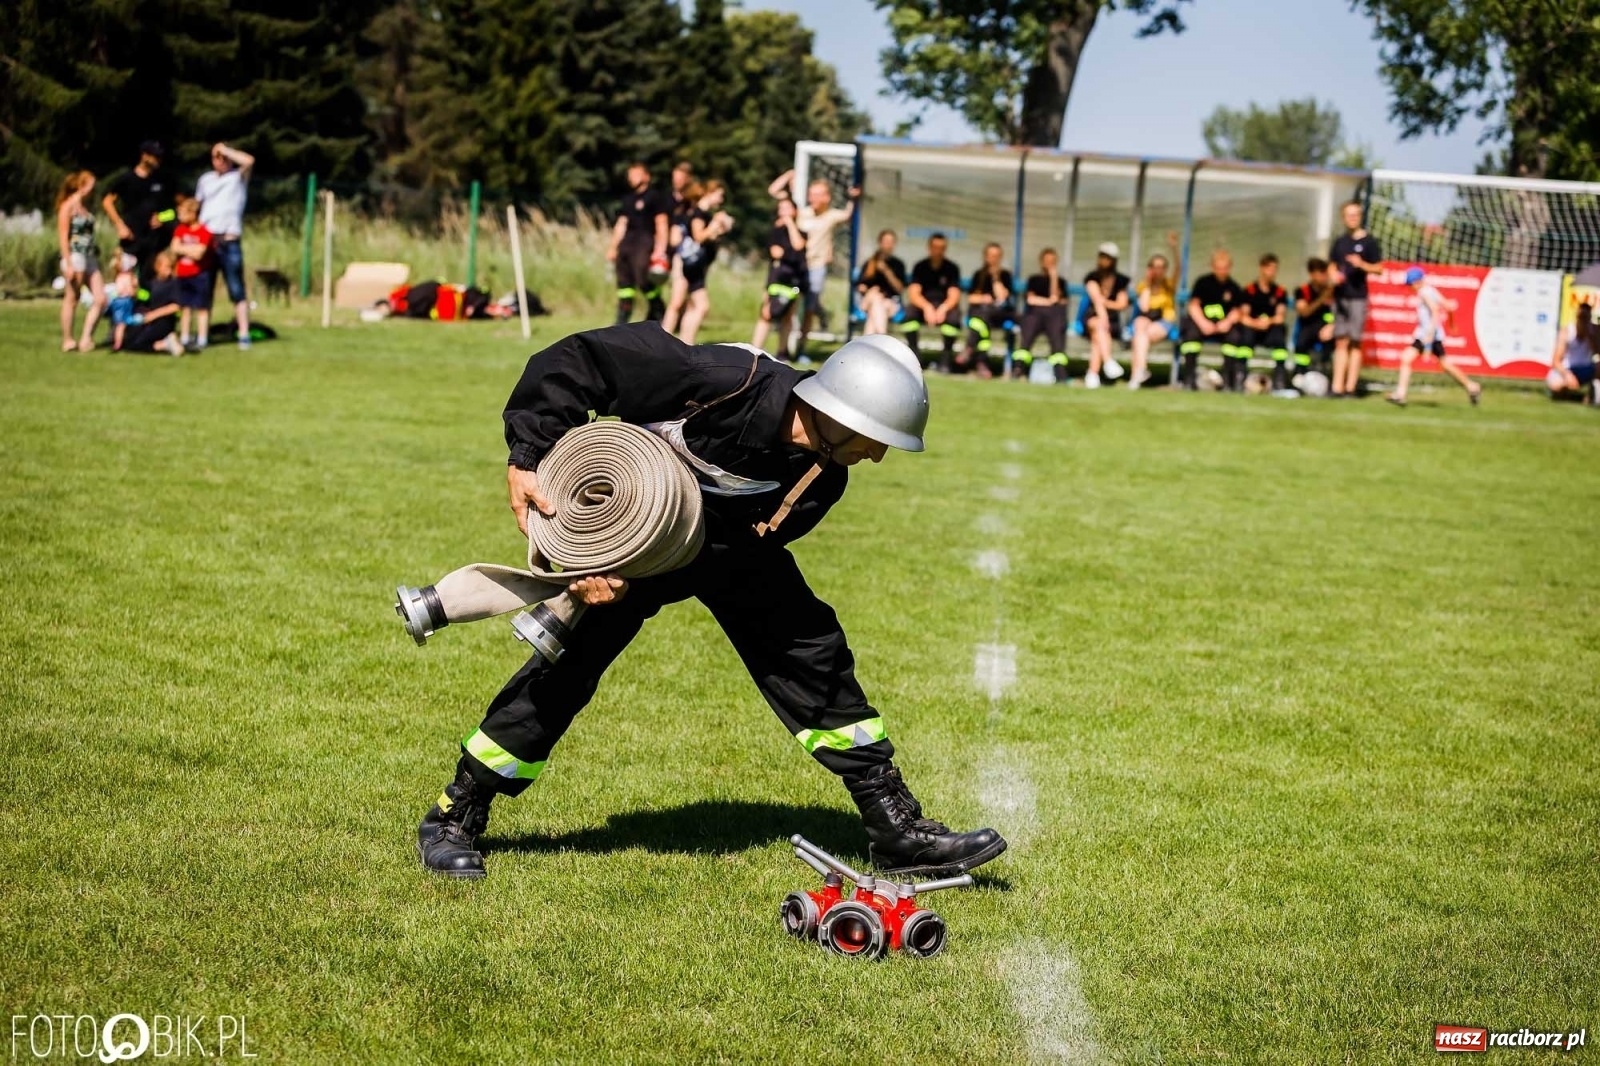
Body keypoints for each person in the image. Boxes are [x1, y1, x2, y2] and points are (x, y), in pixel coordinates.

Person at [413, 327, 1008, 882]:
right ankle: (455, 812)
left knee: (809, 649)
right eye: (878, 439)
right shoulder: (721, 380)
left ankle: (893, 826)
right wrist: (531, 459)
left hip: (728, 552)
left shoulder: (822, 480)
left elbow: (752, 546)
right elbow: (577, 362)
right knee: (567, 669)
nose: (878, 456)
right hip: (633, 527)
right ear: (842, 414)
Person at [769, 171, 859, 356]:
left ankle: (801, 349)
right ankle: (784, 348)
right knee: (791, 308)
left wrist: (853, 198)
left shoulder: (832, 215)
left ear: (827, 197)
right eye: (811, 194)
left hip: (816, 267)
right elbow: (774, 191)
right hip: (797, 266)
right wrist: (789, 175)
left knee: (809, 309)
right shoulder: (802, 212)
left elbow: (848, 215)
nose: (813, 198)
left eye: (818, 194)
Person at [1386, 267, 1480, 407]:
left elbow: (1435, 310)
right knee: (1444, 364)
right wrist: (1451, 324)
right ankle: (1472, 386)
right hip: (1431, 335)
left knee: (1406, 358)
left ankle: (1400, 394)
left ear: (1416, 282)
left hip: (1427, 335)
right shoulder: (1431, 290)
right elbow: (1449, 306)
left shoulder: (1423, 292)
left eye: (1410, 285)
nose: (1409, 288)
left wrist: (1429, 338)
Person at [195, 142, 256, 350]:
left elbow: (249, 161)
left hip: (229, 241)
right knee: (204, 289)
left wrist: (225, 149)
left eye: (223, 158)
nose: (220, 161)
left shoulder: (237, 178)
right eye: (216, 157)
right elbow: (197, 206)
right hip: (208, 241)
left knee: (237, 288)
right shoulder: (205, 180)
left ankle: (244, 334)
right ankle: (202, 336)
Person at [661, 181, 734, 345]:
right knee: (680, 303)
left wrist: (721, 228)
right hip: (687, 264)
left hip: (695, 266)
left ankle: (684, 343)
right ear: (710, 193)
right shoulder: (698, 214)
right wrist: (715, 224)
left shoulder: (702, 213)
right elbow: (699, 236)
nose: (721, 200)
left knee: (694, 305)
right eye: (719, 195)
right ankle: (666, 341)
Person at [1328, 200, 1382, 398]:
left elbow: (1379, 268)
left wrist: (1362, 264)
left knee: (1355, 342)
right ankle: (1337, 388)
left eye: (1355, 214)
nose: (1352, 218)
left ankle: (1351, 388)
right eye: (1349, 215)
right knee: (1340, 342)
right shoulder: (1340, 242)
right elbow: (1332, 265)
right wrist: (1333, 275)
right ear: (1343, 218)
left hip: (1358, 298)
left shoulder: (1370, 242)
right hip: (1340, 297)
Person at [606, 163, 670, 325]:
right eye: (630, 175)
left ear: (646, 176)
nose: (631, 177)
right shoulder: (628, 199)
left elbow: (661, 223)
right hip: (628, 242)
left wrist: (660, 249)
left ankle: (658, 308)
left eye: (636, 174)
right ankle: (622, 320)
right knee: (624, 283)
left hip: (645, 241)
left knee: (642, 276)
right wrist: (613, 247)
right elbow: (621, 224)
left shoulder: (655, 197)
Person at [102, 141, 175, 281]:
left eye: (160, 157)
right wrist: (119, 225)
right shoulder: (127, 179)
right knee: (127, 278)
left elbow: (174, 210)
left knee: (149, 280)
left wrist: (162, 217)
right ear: (144, 156)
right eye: (155, 156)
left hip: (154, 241)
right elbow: (107, 202)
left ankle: (146, 295)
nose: (158, 160)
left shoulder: (162, 180)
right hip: (131, 238)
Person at [1176, 250, 1244, 391]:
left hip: (1223, 327)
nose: (1222, 271)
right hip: (1202, 324)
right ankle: (1189, 379)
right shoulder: (1203, 283)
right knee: (1190, 336)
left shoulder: (1234, 287)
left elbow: (1237, 311)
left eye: (1225, 268)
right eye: (1218, 268)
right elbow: (1193, 306)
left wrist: (1227, 322)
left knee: (1234, 337)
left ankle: (1227, 381)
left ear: (1229, 267)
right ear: (1212, 267)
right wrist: (1203, 323)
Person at [55, 170, 107, 353]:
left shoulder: (85, 207)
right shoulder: (67, 207)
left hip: (89, 255)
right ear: (81, 186)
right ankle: (68, 339)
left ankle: (86, 338)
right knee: (72, 298)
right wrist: (68, 263)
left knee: (101, 299)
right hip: (75, 255)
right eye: (90, 185)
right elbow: (63, 236)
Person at [751, 198, 808, 359]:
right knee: (766, 313)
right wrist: (790, 254)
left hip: (794, 281)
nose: (783, 211)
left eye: (787, 208)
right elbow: (776, 253)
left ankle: (782, 353)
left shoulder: (802, 232)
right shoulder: (775, 232)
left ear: (795, 211)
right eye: (781, 208)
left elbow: (798, 246)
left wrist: (790, 224)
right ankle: (754, 350)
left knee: (788, 315)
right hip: (776, 279)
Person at [903, 233, 963, 370]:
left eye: (942, 248)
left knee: (954, 318)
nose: (938, 251)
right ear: (929, 247)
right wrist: (927, 307)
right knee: (909, 314)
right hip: (923, 306)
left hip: (944, 307)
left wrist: (943, 308)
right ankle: (915, 357)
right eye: (935, 247)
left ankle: (945, 359)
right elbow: (914, 294)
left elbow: (954, 295)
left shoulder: (952, 268)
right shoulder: (920, 267)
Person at [116, 251, 185, 356]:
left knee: (138, 343)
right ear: (157, 267)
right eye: (167, 267)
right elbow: (145, 298)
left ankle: (165, 343)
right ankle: (165, 344)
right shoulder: (151, 283)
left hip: (163, 321)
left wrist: (153, 315)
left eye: (171, 267)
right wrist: (134, 293)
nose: (169, 270)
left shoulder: (173, 284)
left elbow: (176, 306)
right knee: (129, 342)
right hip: (147, 318)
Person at [962, 243, 1015, 378]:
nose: (993, 259)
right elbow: (971, 298)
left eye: (996, 256)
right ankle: (982, 363)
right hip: (982, 315)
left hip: (998, 314)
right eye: (991, 256)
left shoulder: (1005, 275)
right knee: (982, 320)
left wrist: (995, 278)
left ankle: (969, 347)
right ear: (985, 257)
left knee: (981, 318)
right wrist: (983, 298)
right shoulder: (978, 275)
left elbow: (1002, 297)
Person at [1238, 253, 1290, 392]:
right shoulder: (1250, 290)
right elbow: (1243, 316)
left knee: (1280, 334)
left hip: (1270, 330)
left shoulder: (1280, 292)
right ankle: (1240, 376)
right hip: (1252, 329)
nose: (1272, 272)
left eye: (1275, 269)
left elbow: (1280, 316)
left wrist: (1268, 321)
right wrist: (1256, 323)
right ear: (1261, 268)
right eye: (1269, 268)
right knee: (1245, 336)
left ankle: (1279, 379)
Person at [1082, 242, 1130, 389]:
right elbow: (1097, 302)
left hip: (1112, 322)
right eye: (1102, 256)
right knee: (1099, 326)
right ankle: (1108, 361)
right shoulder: (1092, 278)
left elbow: (1122, 304)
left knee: (1098, 335)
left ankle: (1092, 373)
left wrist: (1105, 303)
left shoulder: (1120, 280)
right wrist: (1104, 317)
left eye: (1107, 257)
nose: (1104, 260)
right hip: (1093, 318)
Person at [1128, 251, 1178, 390]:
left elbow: (1179, 267)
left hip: (1164, 322)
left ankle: (1136, 376)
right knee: (1139, 326)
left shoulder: (1169, 285)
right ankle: (1141, 370)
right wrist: (1148, 284)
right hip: (1146, 321)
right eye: (1155, 267)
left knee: (1139, 338)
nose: (1158, 270)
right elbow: (1144, 307)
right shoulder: (1143, 286)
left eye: (1161, 267)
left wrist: (1174, 248)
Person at [169, 196, 214, 352]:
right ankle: (185, 337)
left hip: (199, 275)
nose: (180, 217)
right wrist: (190, 250)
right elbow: (174, 248)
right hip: (183, 274)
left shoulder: (204, 232)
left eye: (183, 213)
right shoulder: (180, 230)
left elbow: (200, 254)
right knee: (185, 307)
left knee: (201, 307)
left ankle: (202, 338)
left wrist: (183, 249)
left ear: (193, 214)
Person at [1019, 248, 1070, 382]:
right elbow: (1031, 300)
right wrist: (1049, 302)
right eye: (1047, 261)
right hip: (1034, 317)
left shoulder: (1061, 282)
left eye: (1052, 261)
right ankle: (1018, 369)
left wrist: (1054, 278)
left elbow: (1057, 299)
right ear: (1041, 262)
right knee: (1028, 332)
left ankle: (1060, 373)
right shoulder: (1034, 280)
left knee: (1057, 331)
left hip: (1053, 319)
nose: (1049, 264)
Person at [855, 229, 907, 337]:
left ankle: (870, 341)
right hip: (868, 300)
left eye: (891, 242)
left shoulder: (898, 265)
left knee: (875, 311)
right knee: (876, 297)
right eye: (886, 242)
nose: (888, 245)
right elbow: (860, 285)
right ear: (880, 243)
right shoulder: (869, 263)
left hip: (890, 302)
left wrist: (887, 271)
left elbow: (900, 289)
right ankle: (883, 336)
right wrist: (869, 290)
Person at [1292, 258, 1336, 376]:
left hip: (1328, 327)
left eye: (1324, 273)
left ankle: (1325, 371)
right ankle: (1299, 372)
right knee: (1302, 341)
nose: (1323, 277)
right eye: (1320, 273)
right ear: (1312, 274)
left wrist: (1332, 326)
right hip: (1308, 326)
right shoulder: (1303, 291)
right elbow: (1304, 312)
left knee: (1332, 341)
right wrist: (1322, 298)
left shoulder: (1334, 291)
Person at [1548, 299, 1596, 401]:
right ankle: (1572, 395)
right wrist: (1567, 375)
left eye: (1586, 318)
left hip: (1586, 368)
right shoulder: (1567, 331)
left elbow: (1597, 351)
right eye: (1581, 317)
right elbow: (1555, 361)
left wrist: (1591, 338)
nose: (1583, 321)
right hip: (1567, 369)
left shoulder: (1594, 331)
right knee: (1556, 385)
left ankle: (1592, 394)